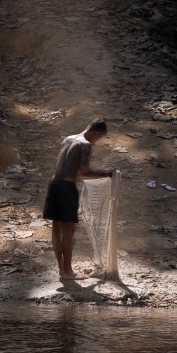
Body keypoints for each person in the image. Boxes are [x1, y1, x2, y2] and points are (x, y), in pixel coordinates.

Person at [42, 118, 113, 281]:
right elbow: (85, 170)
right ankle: (68, 272)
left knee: (56, 228)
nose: (97, 141)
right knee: (68, 230)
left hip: (54, 185)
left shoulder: (67, 139)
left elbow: (66, 167)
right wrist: (108, 174)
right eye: (99, 137)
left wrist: (78, 176)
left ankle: (61, 269)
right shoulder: (86, 145)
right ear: (96, 133)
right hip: (67, 188)